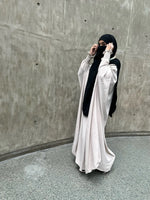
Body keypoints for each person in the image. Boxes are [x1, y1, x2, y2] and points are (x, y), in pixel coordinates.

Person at [72, 34, 121, 174]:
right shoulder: (96, 61)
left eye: (104, 44)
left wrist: (107, 54)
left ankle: (98, 162)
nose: (101, 46)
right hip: (87, 101)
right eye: (99, 43)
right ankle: (83, 160)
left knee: (93, 131)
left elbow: (104, 78)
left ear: (111, 46)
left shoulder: (113, 62)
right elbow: (82, 74)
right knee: (85, 130)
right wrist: (90, 56)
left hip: (97, 106)